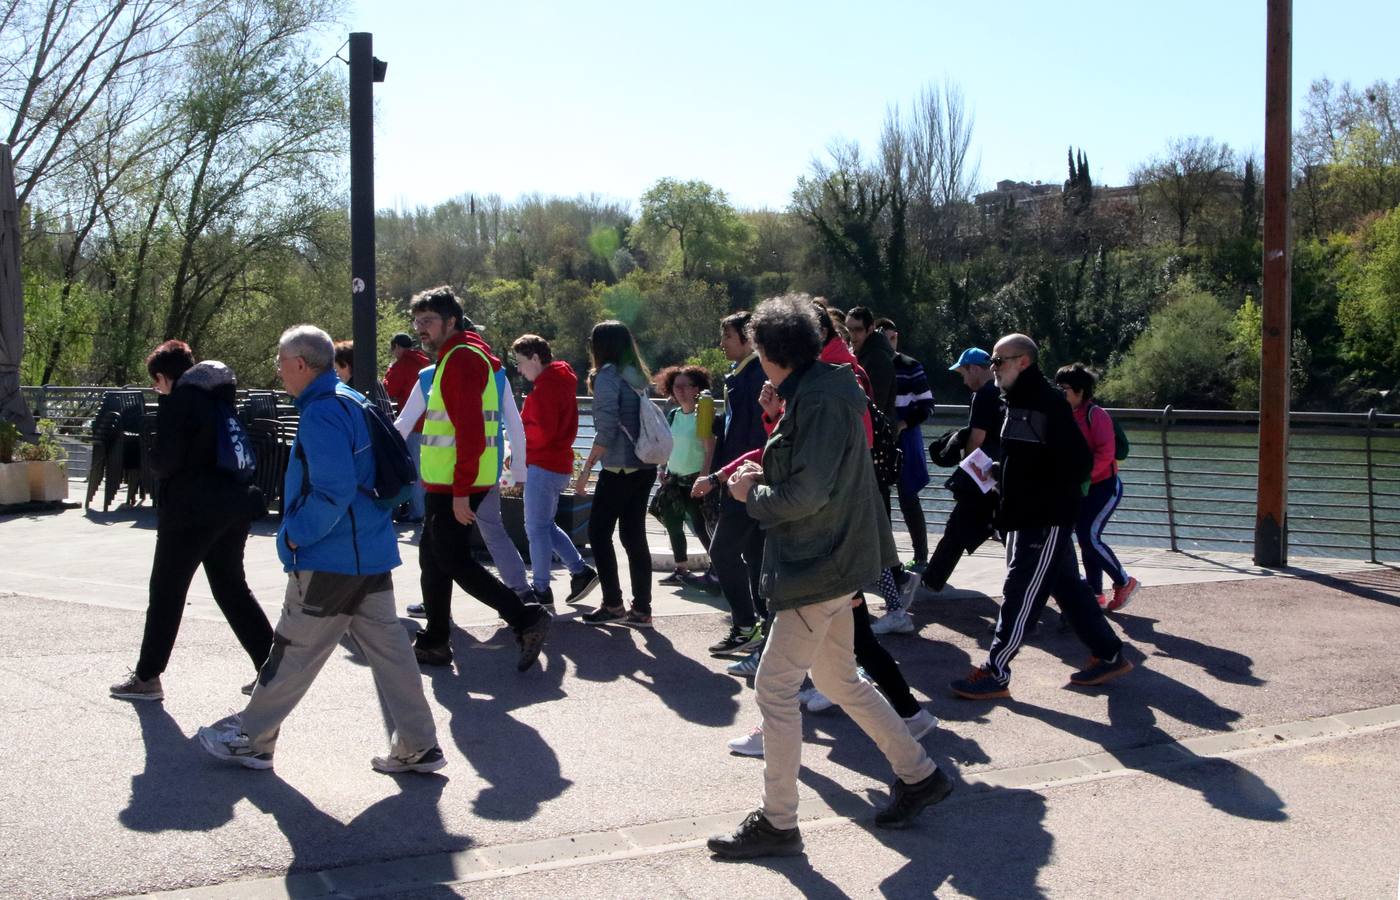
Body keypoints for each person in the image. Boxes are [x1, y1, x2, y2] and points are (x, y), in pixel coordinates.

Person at [706, 296, 953, 860]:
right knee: (841, 681)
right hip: (837, 559)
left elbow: (805, 494)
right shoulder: (823, 389)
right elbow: (818, 472)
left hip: (816, 565)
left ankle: (778, 824)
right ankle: (920, 776)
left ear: (770, 352)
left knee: (773, 690)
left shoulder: (816, 399)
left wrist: (750, 492)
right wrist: (769, 438)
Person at [196, 325, 445, 773]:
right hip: (368, 551)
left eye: (280, 362)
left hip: (331, 557)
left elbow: (331, 490)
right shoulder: (352, 400)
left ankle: (252, 738)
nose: (277, 371)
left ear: (299, 364)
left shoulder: (321, 412)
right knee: (391, 651)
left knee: (292, 651)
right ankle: (420, 743)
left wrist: (295, 534)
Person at [950, 334, 1134, 700]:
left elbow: (1078, 462)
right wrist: (999, 472)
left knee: (1020, 591)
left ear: (1023, 362)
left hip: (1043, 518)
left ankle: (996, 671)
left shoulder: (1048, 403)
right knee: (1067, 587)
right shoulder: (1014, 402)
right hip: (1026, 514)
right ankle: (1110, 655)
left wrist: (1041, 496)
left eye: (999, 361)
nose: (993, 369)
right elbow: (1028, 460)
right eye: (992, 362)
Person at [110, 341, 273, 702]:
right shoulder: (220, 399)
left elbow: (166, 461)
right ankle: (271, 668)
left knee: (167, 591)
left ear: (163, 377)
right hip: (233, 504)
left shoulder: (180, 401)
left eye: (156, 383)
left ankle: (148, 676)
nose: (157, 390)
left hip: (189, 510)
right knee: (231, 587)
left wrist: (153, 457)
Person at [406, 286, 551, 670]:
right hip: (449, 481)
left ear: (450, 321)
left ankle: (525, 617)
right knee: (433, 559)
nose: (422, 329)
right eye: (418, 321)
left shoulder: (461, 360)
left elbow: (469, 430)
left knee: (452, 560)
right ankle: (435, 639)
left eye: (429, 321)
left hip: (457, 483)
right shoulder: (462, 356)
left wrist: (458, 492)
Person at [691, 311, 770, 658]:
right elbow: (741, 426)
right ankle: (762, 626)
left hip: (746, 478)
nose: (721, 343)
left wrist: (725, 474)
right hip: (739, 475)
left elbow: (757, 434)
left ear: (748, 338)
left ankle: (746, 626)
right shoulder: (741, 375)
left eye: (727, 336)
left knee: (723, 551)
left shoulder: (756, 376)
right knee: (753, 553)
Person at [572, 320, 659, 628]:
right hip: (645, 465)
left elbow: (606, 430)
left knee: (598, 533)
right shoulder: (637, 376)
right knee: (634, 536)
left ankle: (613, 604)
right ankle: (642, 609)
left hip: (619, 466)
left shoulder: (608, 377)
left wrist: (584, 473)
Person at [512, 333, 598, 608]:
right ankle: (580, 571)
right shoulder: (560, 382)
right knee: (544, 526)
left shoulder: (545, 390)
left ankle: (541, 589)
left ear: (536, 358)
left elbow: (542, 432)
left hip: (543, 464)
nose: (519, 368)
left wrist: (520, 451)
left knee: (535, 529)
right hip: (557, 464)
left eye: (521, 362)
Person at [1055, 362, 1140, 611]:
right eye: (1057, 387)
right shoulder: (1063, 415)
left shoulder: (1097, 415)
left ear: (1080, 391)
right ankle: (1095, 595)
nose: (1060, 393)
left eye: (1065, 388)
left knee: (1088, 537)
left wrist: (1082, 478)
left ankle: (1124, 582)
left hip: (1104, 486)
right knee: (1086, 539)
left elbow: (1106, 454)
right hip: (1078, 488)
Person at [920, 348, 1003, 596]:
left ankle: (931, 582)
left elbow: (977, 438)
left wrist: (965, 468)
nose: (964, 381)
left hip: (985, 475)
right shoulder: (1004, 392)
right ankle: (932, 580)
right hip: (1006, 471)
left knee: (957, 527)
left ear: (974, 369)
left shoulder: (982, 395)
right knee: (1007, 529)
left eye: (963, 374)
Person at [875, 317, 934, 571]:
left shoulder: (910, 365)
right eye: (883, 339)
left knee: (908, 496)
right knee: (880, 498)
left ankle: (920, 556)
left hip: (906, 438)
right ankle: (886, 560)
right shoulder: (871, 365)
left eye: (892, 338)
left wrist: (903, 424)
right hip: (879, 439)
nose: (889, 344)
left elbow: (927, 406)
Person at [651, 365, 716, 585]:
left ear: (696, 388)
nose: (679, 390)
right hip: (674, 479)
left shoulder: (704, 415)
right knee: (673, 523)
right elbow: (668, 446)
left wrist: (705, 476)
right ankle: (681, 569)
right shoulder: (673, 415)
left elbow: (710, 448)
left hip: (695, 479)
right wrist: (662, 467)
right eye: (675, 386)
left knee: (701, 526)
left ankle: (718, 568)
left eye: (684, 386)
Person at [383, 332, 431, 523]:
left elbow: (390, 390)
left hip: (413, 425)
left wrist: (389, 371)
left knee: (415, 471)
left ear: (397, 347)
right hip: (431, 423)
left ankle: (418, 512)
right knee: (425, 469)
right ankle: (423, 509)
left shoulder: (403, 364)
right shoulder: (424, 362)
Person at [331, 340, 395, 417]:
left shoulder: (352, 390)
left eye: (336, 368)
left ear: (345, 365)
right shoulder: (375, 381)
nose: (336, 373)